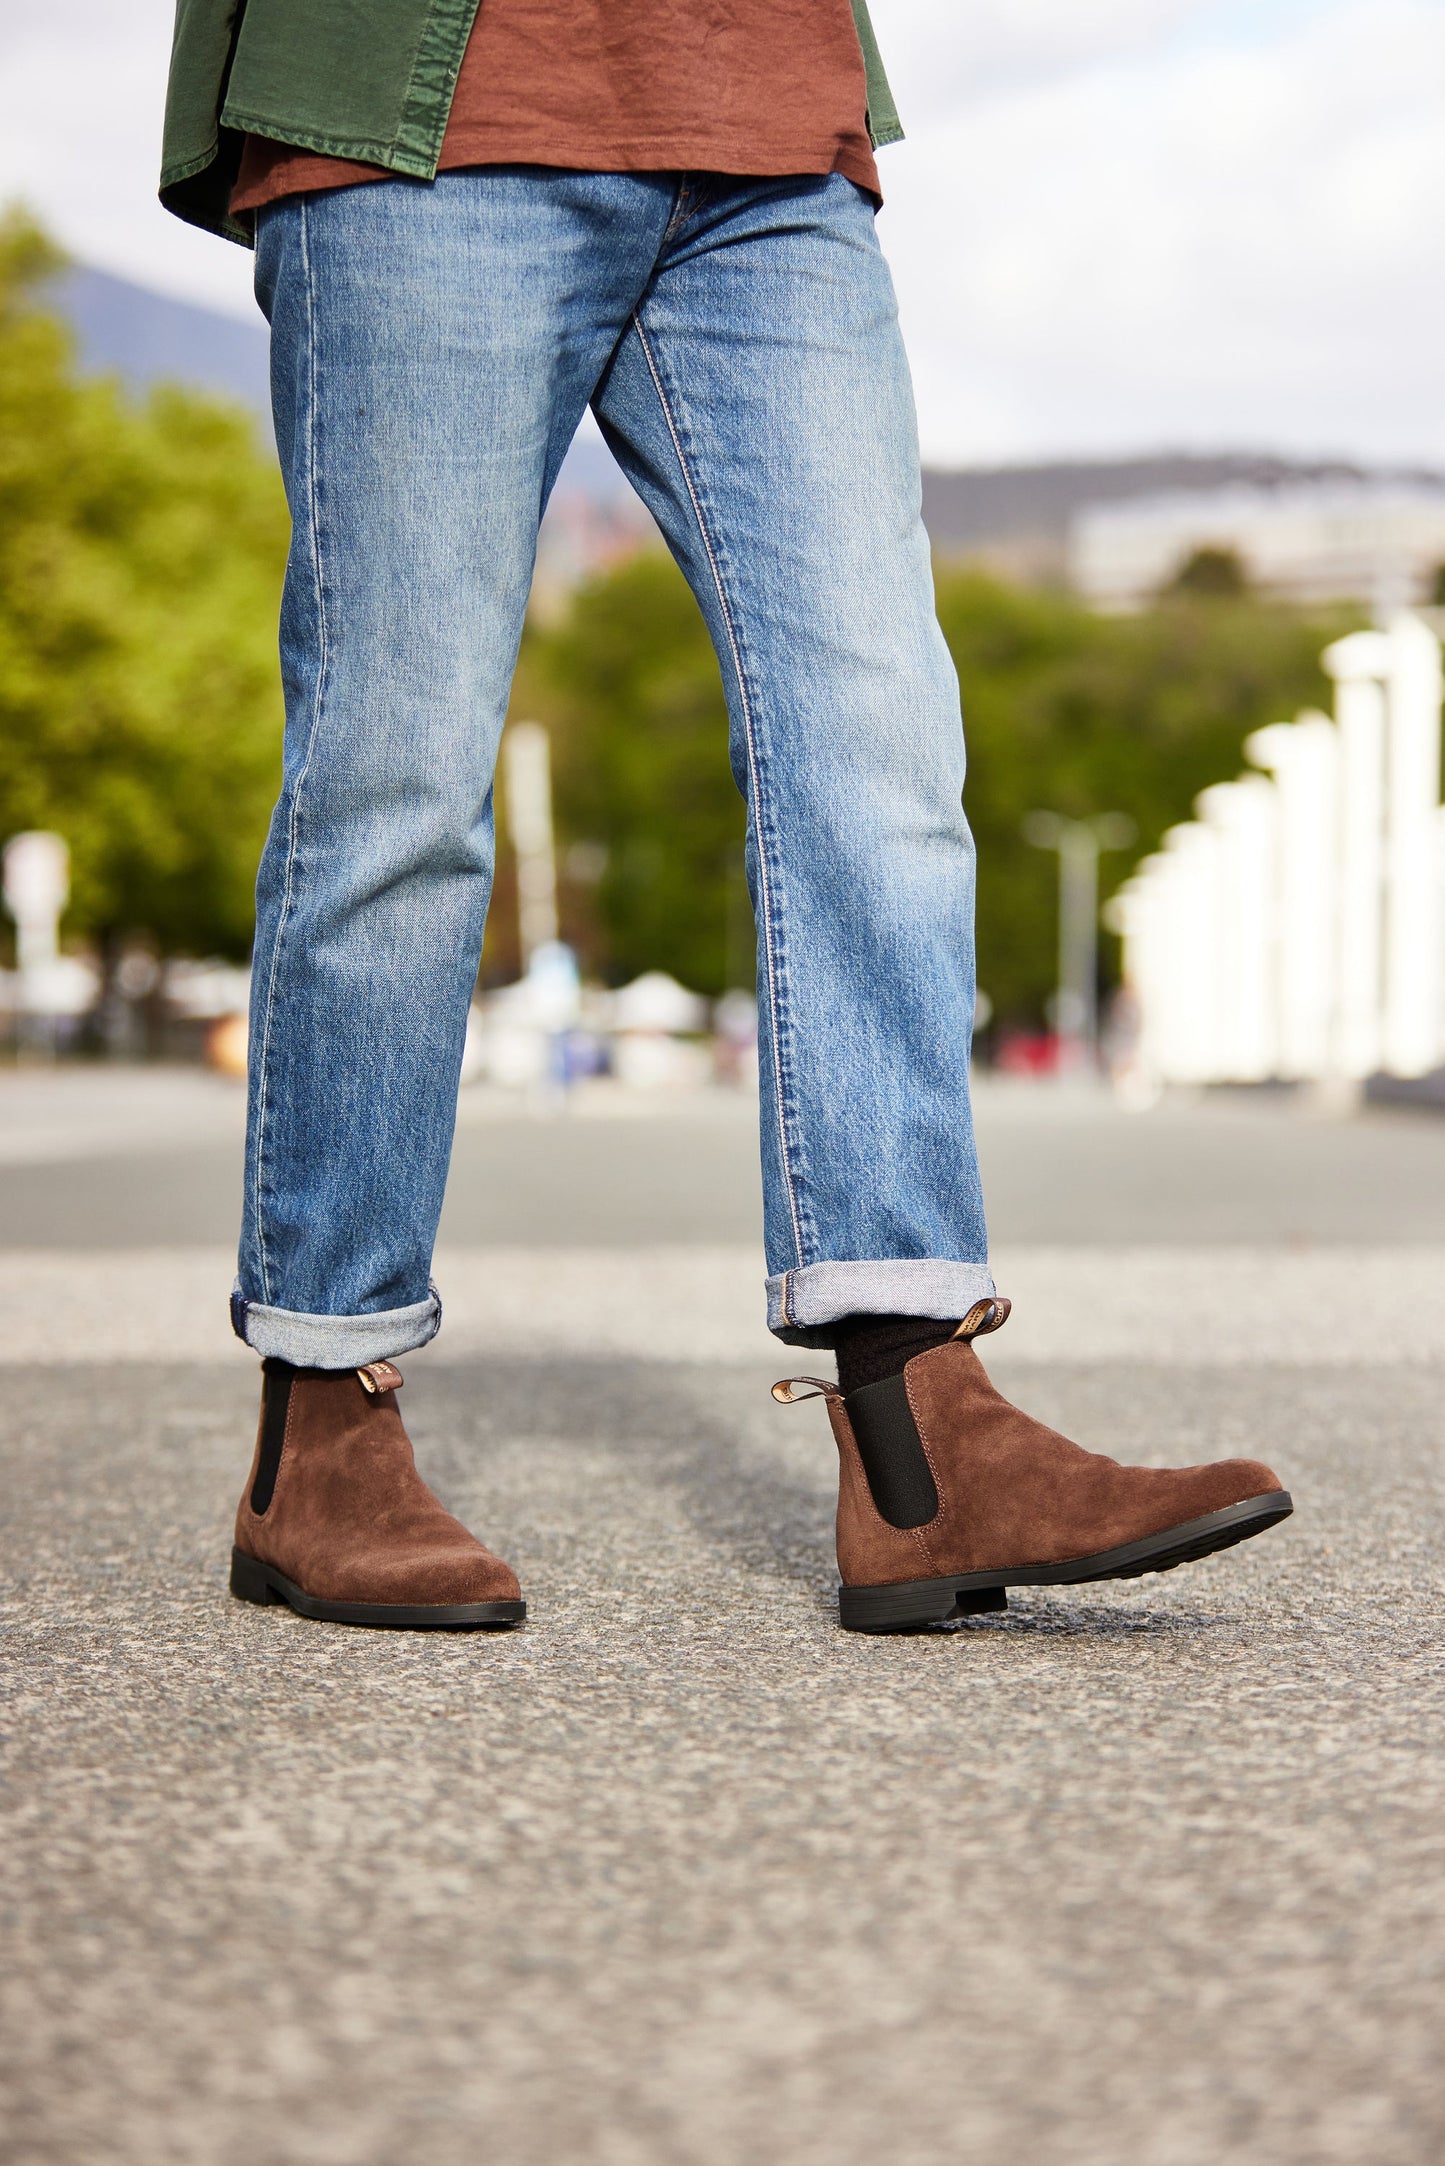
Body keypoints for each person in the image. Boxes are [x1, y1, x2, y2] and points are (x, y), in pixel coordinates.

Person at [160, 0, 1292, 1635]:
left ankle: (920, 1438)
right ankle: (318, 1424)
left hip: (767, 138)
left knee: (880, 750)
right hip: (436, 123)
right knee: (398, 779)